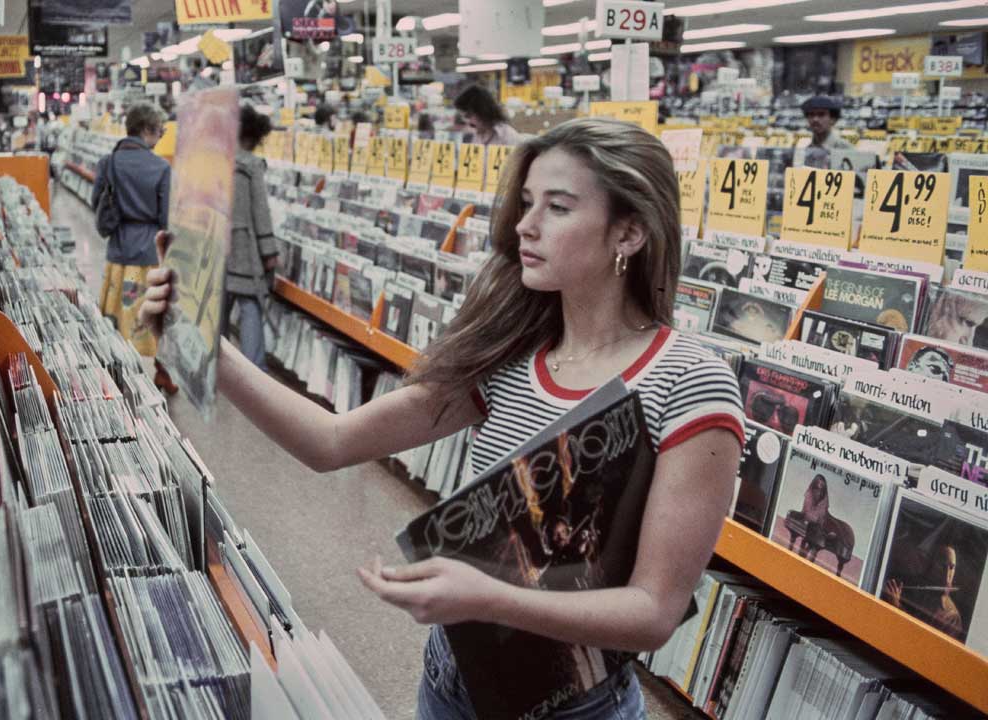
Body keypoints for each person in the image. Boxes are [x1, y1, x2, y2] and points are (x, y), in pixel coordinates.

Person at [141, 118, 745, 718]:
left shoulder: (689, 384)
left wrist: (492, 598)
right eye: (526, 202)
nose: (523, 226)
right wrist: (209, 349)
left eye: (557, 207)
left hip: (571, 707)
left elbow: (653, 613)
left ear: (630, 233)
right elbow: (332, 441)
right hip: (453, 682)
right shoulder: (513, 356)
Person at [92, 102, 178, 394]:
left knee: (118, 314)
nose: (161, 137)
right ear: (146, 130)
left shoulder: (109, 162)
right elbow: (167, 220)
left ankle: (118, 374)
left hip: (118, 251)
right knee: (154, 313)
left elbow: (97, 203)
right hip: (149, 254)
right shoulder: (162, 168)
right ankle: (163, 372)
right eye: (161, 131)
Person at [224, 105, 280, 371]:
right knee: (250, 306)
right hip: (244, 247)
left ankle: (214, 364)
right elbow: (261, 210)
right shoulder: (250, 165)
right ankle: (253, 369)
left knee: (217, 310)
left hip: (215, 247)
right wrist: (269, 250)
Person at [883, 544, 965, 640]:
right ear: (931, 563)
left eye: (951, 567)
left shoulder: (952, 618)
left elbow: (919, 644)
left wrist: (896, 607)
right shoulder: (912, 586)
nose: (947, 575)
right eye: (941, 566)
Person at [454, 84, 524, 146]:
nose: (467, 122)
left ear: (483, 112)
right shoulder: (470, 137)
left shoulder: (508, 137)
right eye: (464, 117)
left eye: (469, 116)